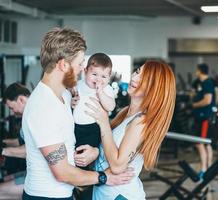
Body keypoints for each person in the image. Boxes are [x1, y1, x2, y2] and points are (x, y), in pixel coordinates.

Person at [22, 27, 134, 200]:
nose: (83, 68)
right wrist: (105, 177)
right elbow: (62, 172)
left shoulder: (66, 95)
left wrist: (94, 151)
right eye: (80, 63)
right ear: (63, 65)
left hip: (64, 193)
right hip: (45, 196)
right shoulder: (43, 106)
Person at [75, 60, 176, 199]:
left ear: (155, 88)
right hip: (103, 194)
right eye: (137, 72)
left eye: (144, 78)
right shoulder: (125, 113)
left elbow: (117, 166)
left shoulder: (141, 121)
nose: (134, 78)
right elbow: (108, 148)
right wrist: (95, 152)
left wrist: (103, 122)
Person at [73, 53, 115, 149]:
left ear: (109, 77)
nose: (98, 79)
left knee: (87, 151)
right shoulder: (78, 85)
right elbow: (71, 100)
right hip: (75, 126)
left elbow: (110, 107)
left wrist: (100, 93)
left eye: (104, 77)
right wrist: (72, 102)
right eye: (94, 74)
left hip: (94, 128)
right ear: (85, 71)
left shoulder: (107, 89)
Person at [0, 82, 30, 200]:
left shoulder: (35, 116)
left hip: (44, 177)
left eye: (12, 108)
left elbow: (29, 150)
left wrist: (3, 150)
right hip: (32, 170)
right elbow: (21, 141)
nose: (12, 112)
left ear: (21, 100)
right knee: (5, 180)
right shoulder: (28, 116)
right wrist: (4, 142)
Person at [191, 63, 215, 178]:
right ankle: (208, 168)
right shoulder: (203, 83)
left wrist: (194, 105)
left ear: (199, 71)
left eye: (197, 70)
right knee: (205, 144)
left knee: (200, 143)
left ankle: (205, 169)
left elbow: (208, 100)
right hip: (203, 117)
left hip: (205, 117)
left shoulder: (207, 83)